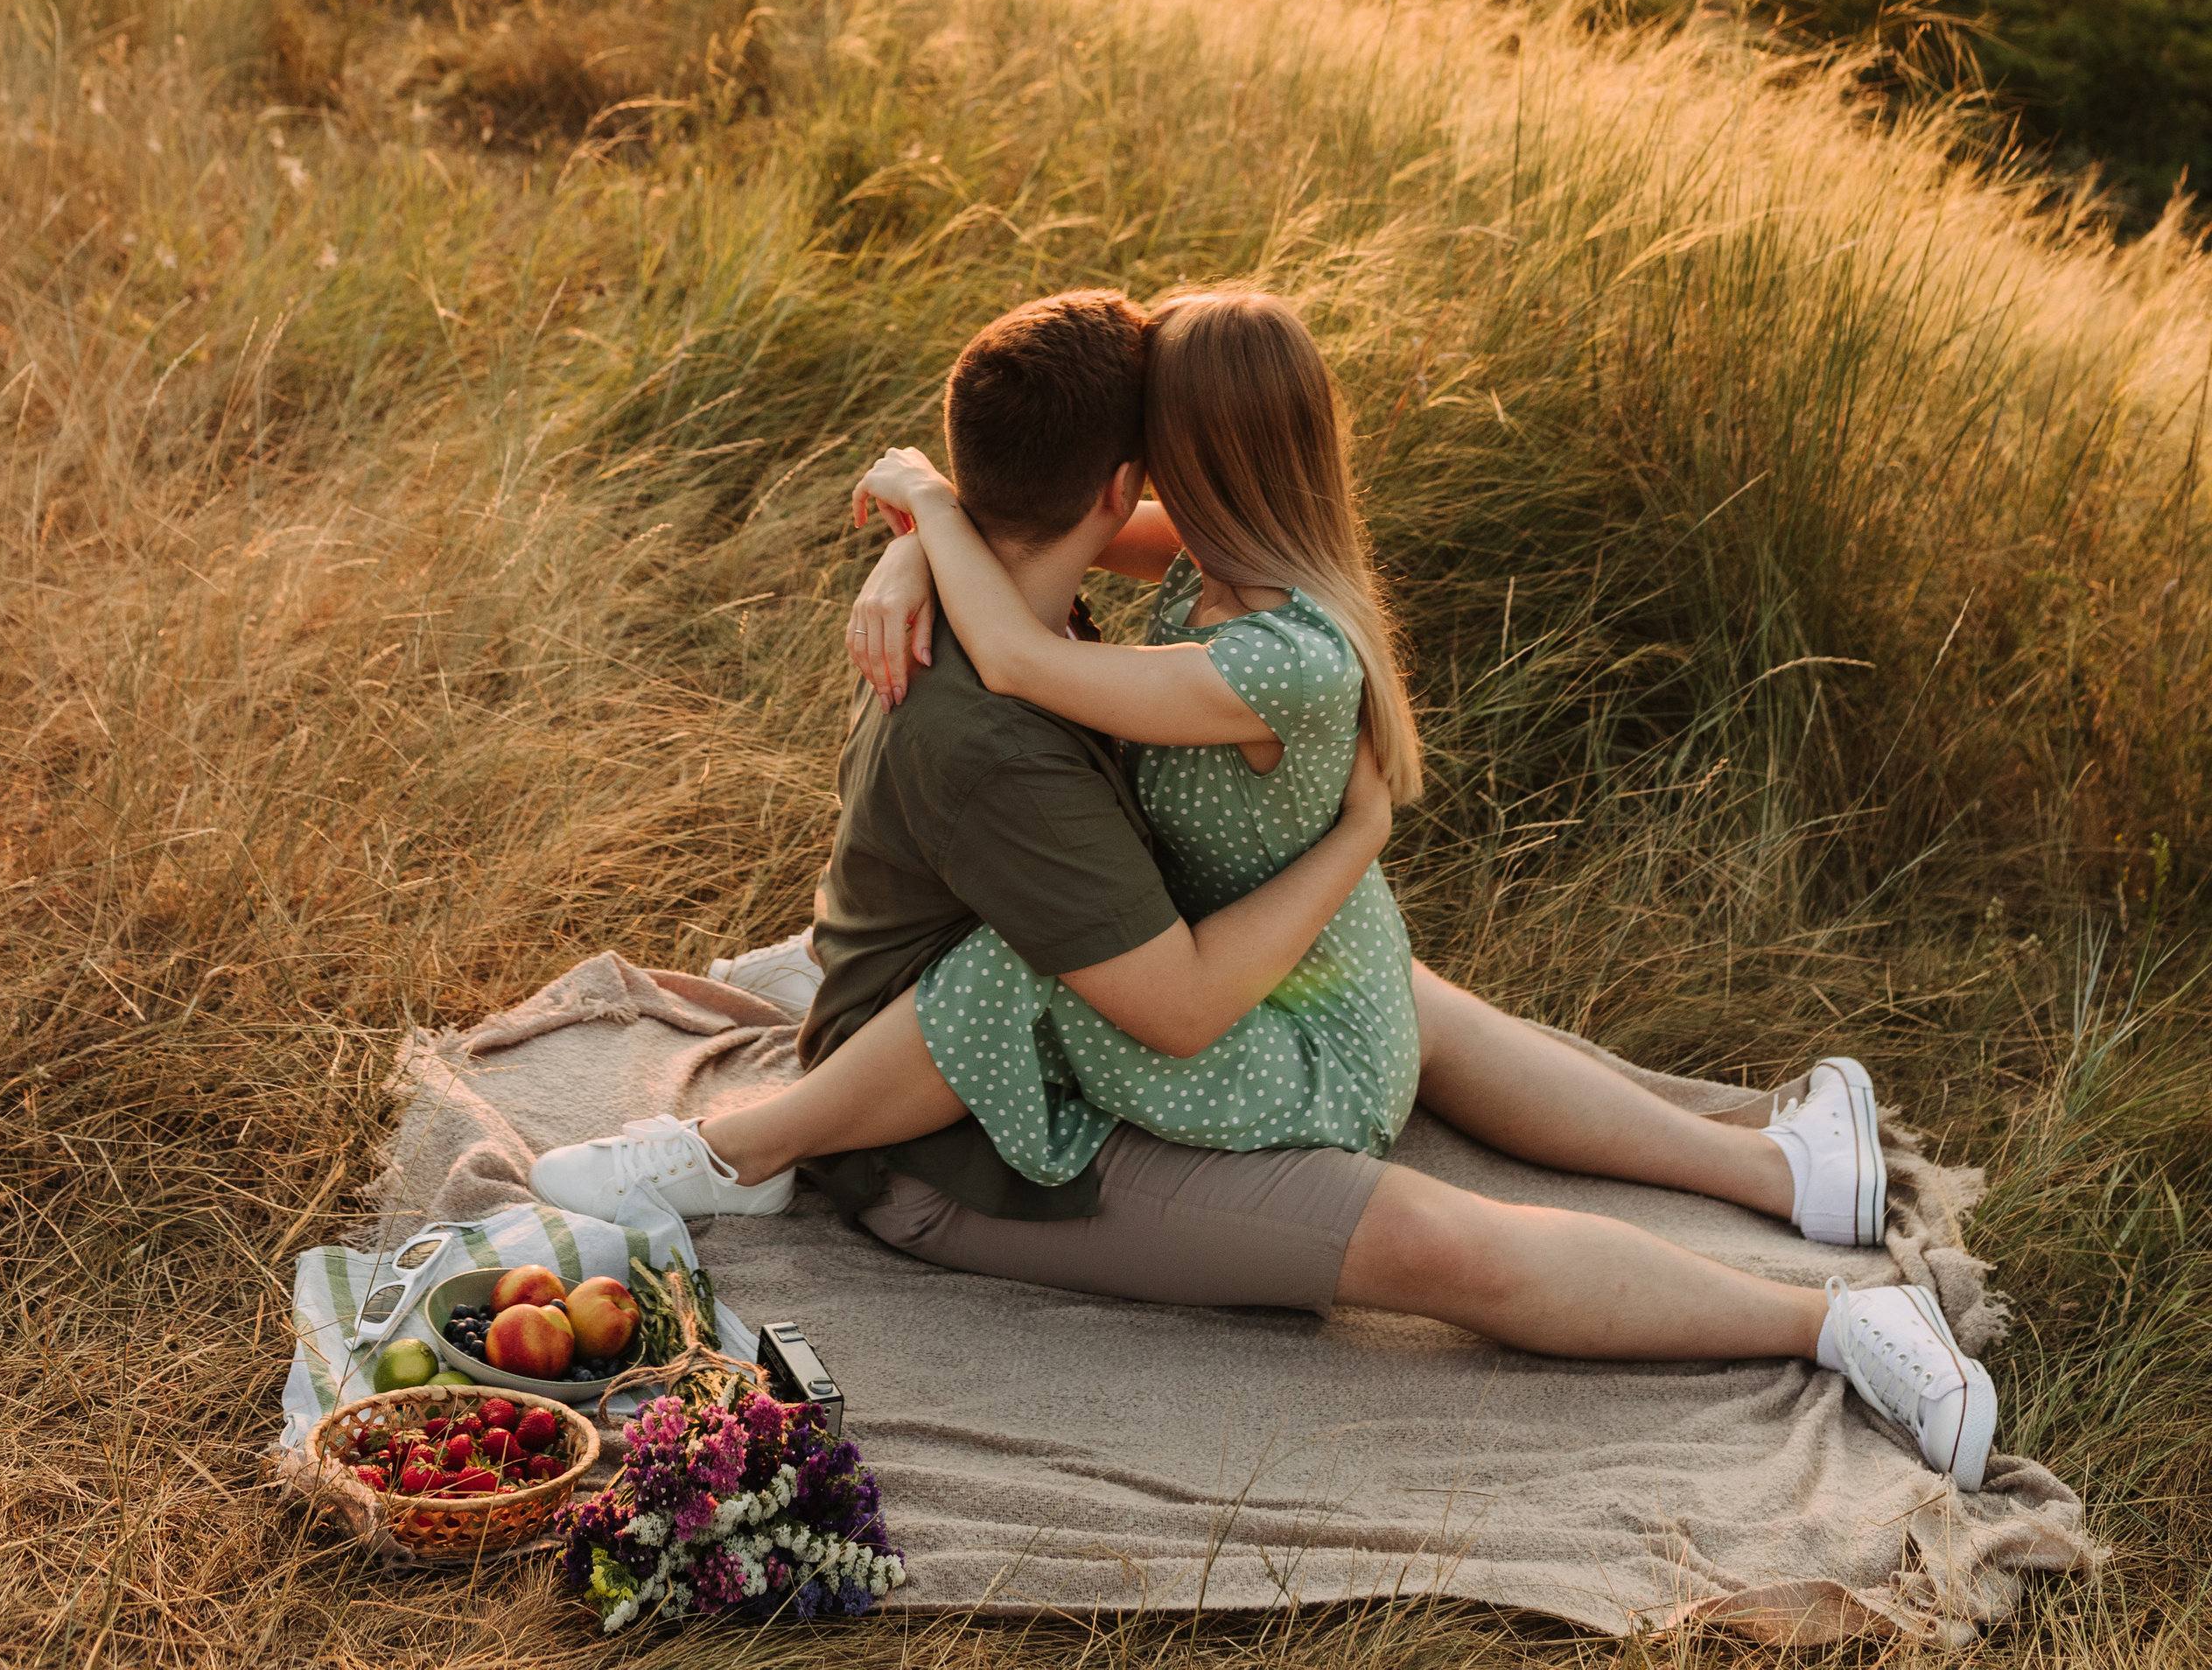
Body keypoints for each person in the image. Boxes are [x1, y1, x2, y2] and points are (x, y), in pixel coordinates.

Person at [532, 288, 1997, 1491]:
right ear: (1127, 490)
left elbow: (1154, 966)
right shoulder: (1206, 570)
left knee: (1235, 1011)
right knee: (1356, 1129)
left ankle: (1821, 1283)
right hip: (1094, 1074)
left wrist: (924, 515)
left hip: (1194, 1020)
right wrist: (927, 530)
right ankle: (1806, 1236)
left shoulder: (1235, 624)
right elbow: (1040, 615)